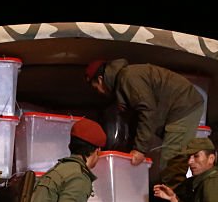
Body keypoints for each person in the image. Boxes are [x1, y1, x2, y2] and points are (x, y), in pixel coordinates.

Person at [86, 58, 204, 188]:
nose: (98, 91)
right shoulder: (122, 85)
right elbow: (136, 120)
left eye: (96, 87)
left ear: (101, 79)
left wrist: (139, 149)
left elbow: (147, 110)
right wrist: (130, 150)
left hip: (183, 106)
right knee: (169, 162)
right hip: (177, 108)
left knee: (171, 163)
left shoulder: (128, 77)